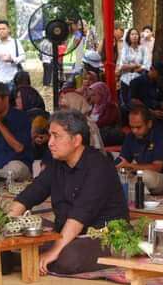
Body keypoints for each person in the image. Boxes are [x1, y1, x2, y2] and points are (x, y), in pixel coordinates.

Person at [10, 111, 129, 275]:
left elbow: (80, 214)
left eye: (56, 136)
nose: (50, 142)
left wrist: (54, 250)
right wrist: (5, 226)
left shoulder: (99, 166)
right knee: (22, 231)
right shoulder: (57, 162)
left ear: (76, 140)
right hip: (65, 232)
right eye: (50, 136)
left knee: (68, 257)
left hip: (102, 236)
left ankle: (32, 258)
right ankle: (31, 256)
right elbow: (31, 193)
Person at [117, 106, 163, 194]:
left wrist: (130, 167)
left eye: (138, 127)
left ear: (149, 124)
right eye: (132, 127)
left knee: (146, 176)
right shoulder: (130, 137)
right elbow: (123, 160)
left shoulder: (162, 136)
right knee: (115, 175)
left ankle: (134, 190)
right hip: (138, 175)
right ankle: (136, 190)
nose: (134, 131)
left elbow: (156, 167)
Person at [0, 83, 33, 181]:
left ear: (5, 99)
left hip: (19, 164)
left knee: (14, 167)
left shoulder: (21, 117)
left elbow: (19, 148)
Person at [117, 28, 150, 108]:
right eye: (132, 34)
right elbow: (121, 66)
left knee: (137, 105)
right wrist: (135, 66)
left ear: (139, 36)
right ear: (128, 37)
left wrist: (129, 66)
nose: (134, 36)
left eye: (136, 34)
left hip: (138, 80)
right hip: (125, 80)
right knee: (125, 105)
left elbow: (146, 65)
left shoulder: (143, 49)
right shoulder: (125, 49)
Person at [0, 20, 25, 87]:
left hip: (13, 78)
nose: (1, 31)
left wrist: (12, 60)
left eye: (4, 29)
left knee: (12, 97)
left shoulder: (16, 42)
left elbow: (23, 57)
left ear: (8, 30)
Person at [86, 81, 122, 146]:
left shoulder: (110, 107)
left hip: (107, 136)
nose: (92, 97)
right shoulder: (93, 106)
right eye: (91, 95)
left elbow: (105, 122)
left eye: (94, 95)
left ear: (102, 93)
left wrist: (90, 125)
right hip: (96, 133)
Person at [60, 20, 85, 85]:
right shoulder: (71, 36)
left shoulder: (78, 36)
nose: (68, 27)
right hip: (68, 64)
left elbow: (77, 50)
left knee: (73, 85)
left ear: (75, 25)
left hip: (74, 65)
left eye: (70, 25)